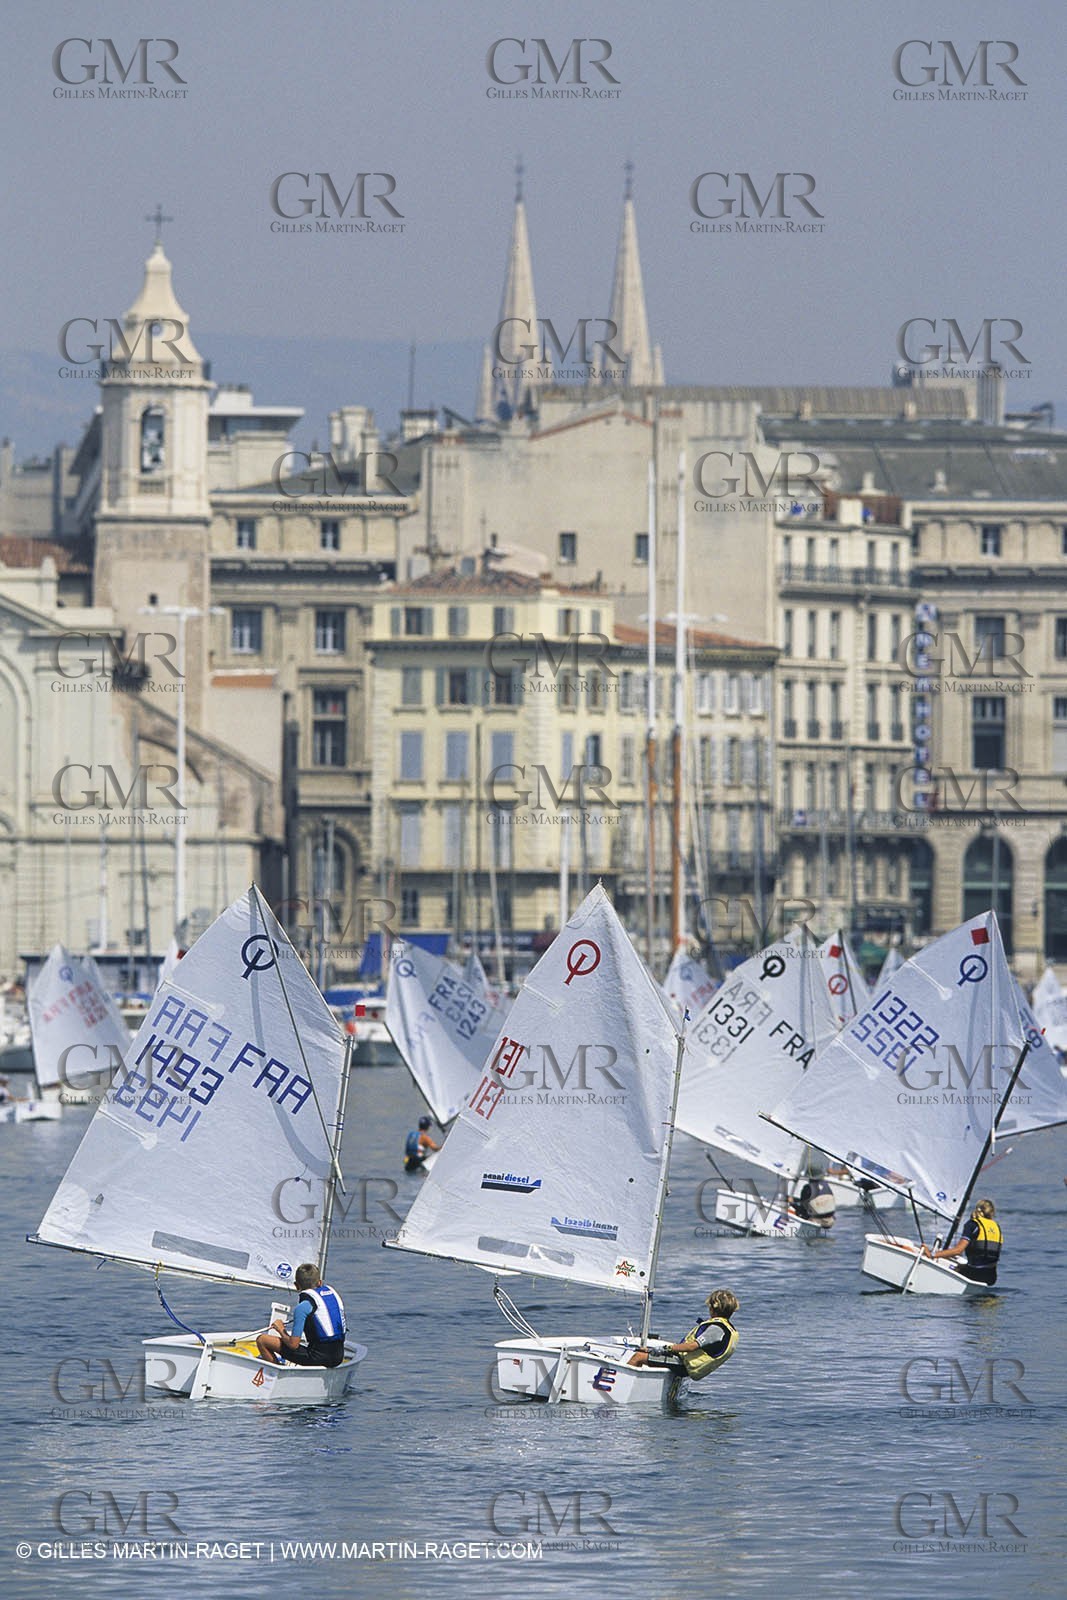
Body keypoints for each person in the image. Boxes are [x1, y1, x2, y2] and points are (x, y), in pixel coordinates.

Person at [627, 1288, 739, 1377]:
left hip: (684, 1365)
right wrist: (652, 1350)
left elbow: (691, 1347)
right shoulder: (727, 1327)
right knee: (645, 1352)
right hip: (685, 1362)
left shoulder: (716, 1329)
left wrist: (665, 1349)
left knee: (638, 1357)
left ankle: (622, 1388)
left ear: (712, 1308)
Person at [256, 1263, 347, 1367]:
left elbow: (293, 1345)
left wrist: (280, 1329)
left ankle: (277, 1376)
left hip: (317, 1358)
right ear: (320, 1283)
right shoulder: (333, 1297)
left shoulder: (301, 1308)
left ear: (296, 1285)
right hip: (338, 1357)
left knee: (262, 1340)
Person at [922, 1198, 1002, 1286]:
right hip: (991, 1277)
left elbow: (958, 1251)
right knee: (961, 1267)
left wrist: (932, 1254)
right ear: (992, 1213)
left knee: (954, 1269)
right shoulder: (996, 1227)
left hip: (975, 1274)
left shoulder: (972, 1224)